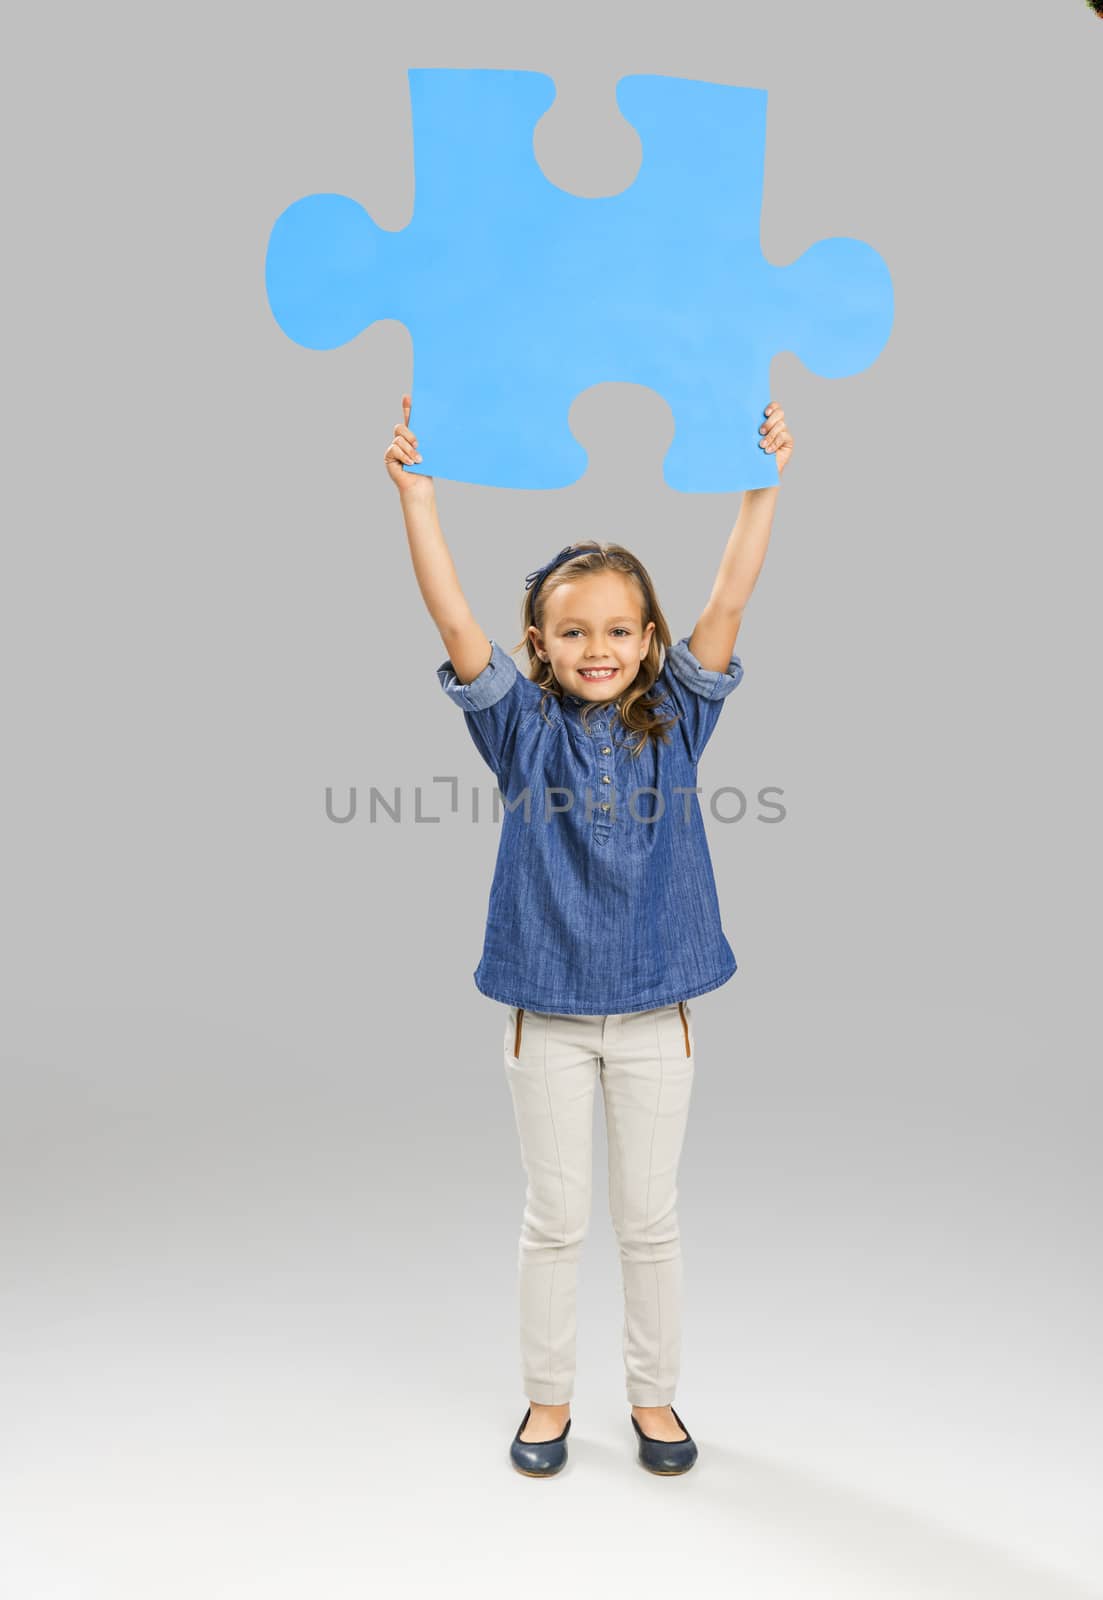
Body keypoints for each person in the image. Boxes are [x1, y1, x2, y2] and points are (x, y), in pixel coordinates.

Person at [384, 393, 792, 1476]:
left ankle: (653, 1400)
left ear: (648, 640)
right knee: (554, 1219)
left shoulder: (679, 719)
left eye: (618, 630)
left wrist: (759, 487)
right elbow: (451, 621)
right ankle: (547, 1400)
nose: (597, 647)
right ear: (540, 644)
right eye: (572, 632)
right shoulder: (519, 729)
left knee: (649, 1221)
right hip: (548, 1020)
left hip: (657, 1012)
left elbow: (731, 598)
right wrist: (418, 500)